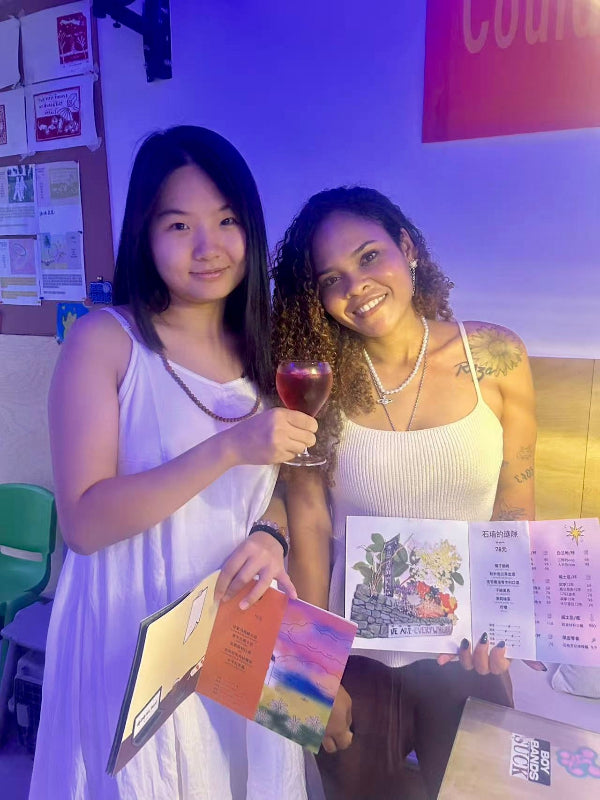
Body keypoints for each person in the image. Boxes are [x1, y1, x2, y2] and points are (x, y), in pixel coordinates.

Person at [29, 126, 318, 800]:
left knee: (244, 779)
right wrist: (228, 447)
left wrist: (270, 537)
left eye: (226, 221)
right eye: (179, 225)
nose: (207, 246)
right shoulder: (105, 341)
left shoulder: (263, 352)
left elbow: (270, 492)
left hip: (242, 624)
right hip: (135, 625)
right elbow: (84, 523)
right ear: (145, 234)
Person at [270, 186, 536, 800]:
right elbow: (309, 525)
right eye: (330, 278)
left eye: (369, 256)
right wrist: (308, 678)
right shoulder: (313, 382)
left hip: (464, 654)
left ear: (407, 248)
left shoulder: (496, 356)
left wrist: (508, 628)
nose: (356, 286)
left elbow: (514, 508)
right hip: (353, 661)